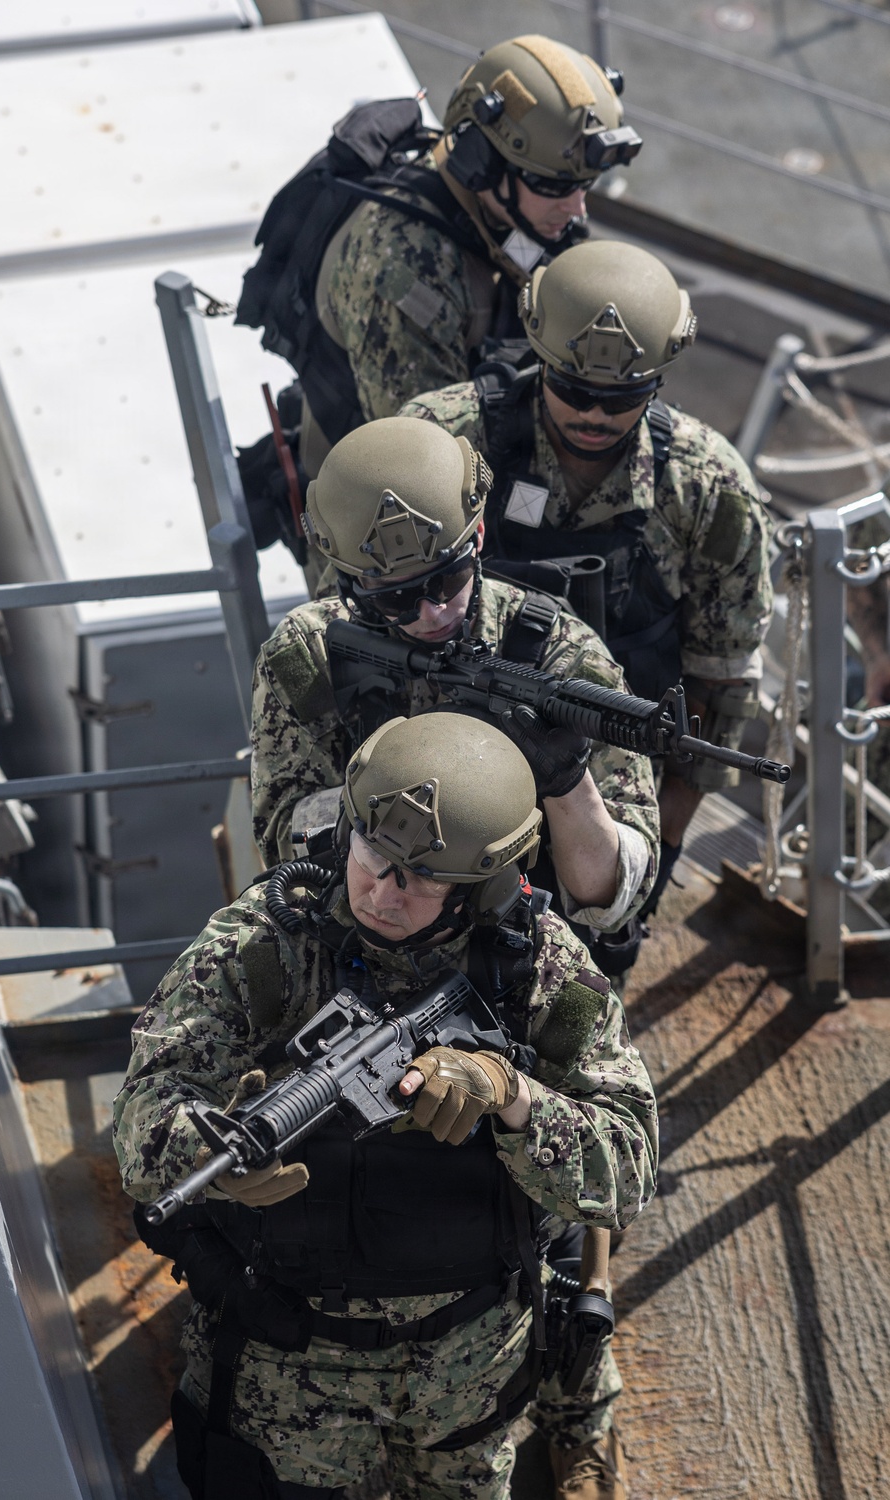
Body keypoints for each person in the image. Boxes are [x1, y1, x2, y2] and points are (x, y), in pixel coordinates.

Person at [114, 712, 657, 1500]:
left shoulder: (541, 973)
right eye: (371, 858)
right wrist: (205, 1154)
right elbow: (147, 1106)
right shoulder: (264, 945)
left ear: (484, 888)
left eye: (421, 881)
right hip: (288, 1367)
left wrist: (512, 1096)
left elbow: (628, 1171)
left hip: (468, 1368)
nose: (382, 894)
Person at [399, 238, 774, 911]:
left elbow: (721, 686)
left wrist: (657, 850)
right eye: (573, 390)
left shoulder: (706, 488)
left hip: (610, 781)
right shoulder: (444, 443)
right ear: (541, 359)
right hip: (438, 773)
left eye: (624, 396)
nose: (594, 415)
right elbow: (368, 599)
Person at [250, 414, 660, 980]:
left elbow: (614, 900)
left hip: (518, 959)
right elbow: (283, 836)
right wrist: (414, 773)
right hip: (358, 942)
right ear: (349, 581)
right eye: (397, 599)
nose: (433, 611)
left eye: (448, 579)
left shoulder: (562, 654)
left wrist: (567, 782)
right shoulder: (308, 654)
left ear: (479, 537)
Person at [235, 33, 642, 527]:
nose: (577, 208)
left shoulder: (503, 211)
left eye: (583, 186)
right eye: (553, 186)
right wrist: (562, 511)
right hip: (391, 531)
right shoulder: (404, 273)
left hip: (492, 447)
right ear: (481, 161)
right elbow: (427, 470)